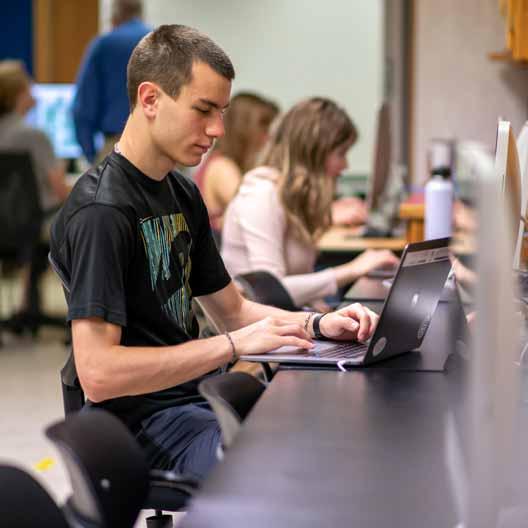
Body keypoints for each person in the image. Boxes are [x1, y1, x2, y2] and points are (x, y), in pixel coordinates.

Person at [49, 25, 379, 481]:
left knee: (331, 435)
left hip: (192, 402)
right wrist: (230, 345)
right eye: (203, 111)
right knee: (295, 471)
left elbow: (234, 310)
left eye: (222, 112)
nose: (217, 130)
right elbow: (98, 373)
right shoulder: (102, 211)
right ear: (150, 99)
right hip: (140, 428)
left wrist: (318, 325)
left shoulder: (181, 194)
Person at [221, 97, 399, 309]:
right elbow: (270, 292)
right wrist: (353, 269)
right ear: (314, 153)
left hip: (283, 320)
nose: (345, 165)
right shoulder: (261, 194)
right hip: (256, 329)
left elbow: (297, 278)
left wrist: (320, 307)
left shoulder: (293, 198)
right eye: (340, 154)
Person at [0, 60, 70, 329]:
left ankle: (26, 307)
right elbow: (61, 191)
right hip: (35, 226)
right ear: (19, 93)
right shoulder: (34, 136)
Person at [73, 0, 149, 163]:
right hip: (162, 146)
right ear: (141, 13)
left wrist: (92, 156)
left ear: (114, 16)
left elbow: (82, 109)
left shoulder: (103, 45)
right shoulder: (161, 43)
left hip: (117, 148)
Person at [194, 91, 279, 234]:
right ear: (244, 129)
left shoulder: (223, 163)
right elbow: (257, 213)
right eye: (263, 128)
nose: (267, 136)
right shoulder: (223, 168)